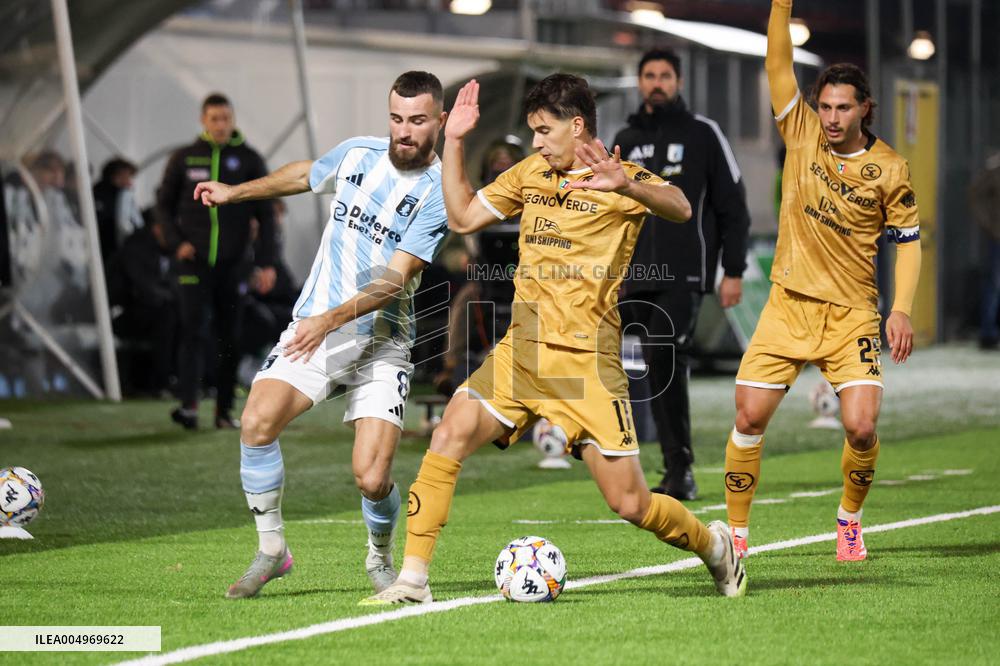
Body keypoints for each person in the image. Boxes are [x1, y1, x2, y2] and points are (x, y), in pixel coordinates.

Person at [363, 74, 747, 605]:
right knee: (448, 433)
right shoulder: (531, 173)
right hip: (523, 350)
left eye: (544, 131)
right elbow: (463, 215)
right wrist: (454, 141)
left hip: (586, 364)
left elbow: (681, 206)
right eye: (534, 132)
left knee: (631, 503)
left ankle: (714, 546)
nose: (538, 142)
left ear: (578, 125)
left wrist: (630, 186)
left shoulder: (620, 178)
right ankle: (412, 580)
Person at [192, 71, 450, 599]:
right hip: (318, 329)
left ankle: (379, 556)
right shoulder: (358, 153)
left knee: (372, 479)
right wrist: (235, 192)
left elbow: (393, 280)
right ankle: (272, 551)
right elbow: (308, 174)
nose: (404, 131)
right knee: (256, 420)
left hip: (381, 341)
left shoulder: (439, 193)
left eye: (418, 121)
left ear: (439, 121)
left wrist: (327, 321)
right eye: (397, 119)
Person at [723, 0, 922, 562]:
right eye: (825, 106)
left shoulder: (890, 168)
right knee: (748, 416)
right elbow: (777, 65)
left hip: (852, 313)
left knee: (861, 427)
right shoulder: (801, 131)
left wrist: (900, 307)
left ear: (865, 109)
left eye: (842, 108)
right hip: (788, 306)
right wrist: (780, 6)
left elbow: (908, 246)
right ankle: (736, 534)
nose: (831, 118)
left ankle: (850, 519)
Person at [613, 48, 751, 500]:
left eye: (665, 76)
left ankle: (680, 470)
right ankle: (617, 461)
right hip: (631, 274)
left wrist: (732, 271)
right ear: (639, 81)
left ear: (680, 81)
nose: (657, 83)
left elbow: (732, 206)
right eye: (649, 75)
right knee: (627, 366)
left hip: (682, 273)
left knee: (664, 356)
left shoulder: (703, 134)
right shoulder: (625, 138)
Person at [156, 93, 277, 430]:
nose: (221, 125)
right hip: (193, 265)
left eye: (226, 118)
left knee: (230, 337)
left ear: (233, 120)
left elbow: (266, 215)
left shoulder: (250, 160)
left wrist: (267, 263)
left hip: (234, 266)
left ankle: (224, 412)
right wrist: (176, 243)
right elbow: (162, 206)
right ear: (203, 121)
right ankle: (189, 406)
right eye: (214, 119)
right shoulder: (184, 158)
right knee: (192, 331)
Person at [969, 151, 1000, 350]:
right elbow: (976, 194)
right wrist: (991, 226)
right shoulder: (994, 171)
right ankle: (988, 332)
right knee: (993, 283)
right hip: (998, 237)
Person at [93, 157, 143, 271]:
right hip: (104, 255)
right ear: (117, 177)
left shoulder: (123, 198)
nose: (130, 182)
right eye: (128, 177)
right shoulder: (101, 197)